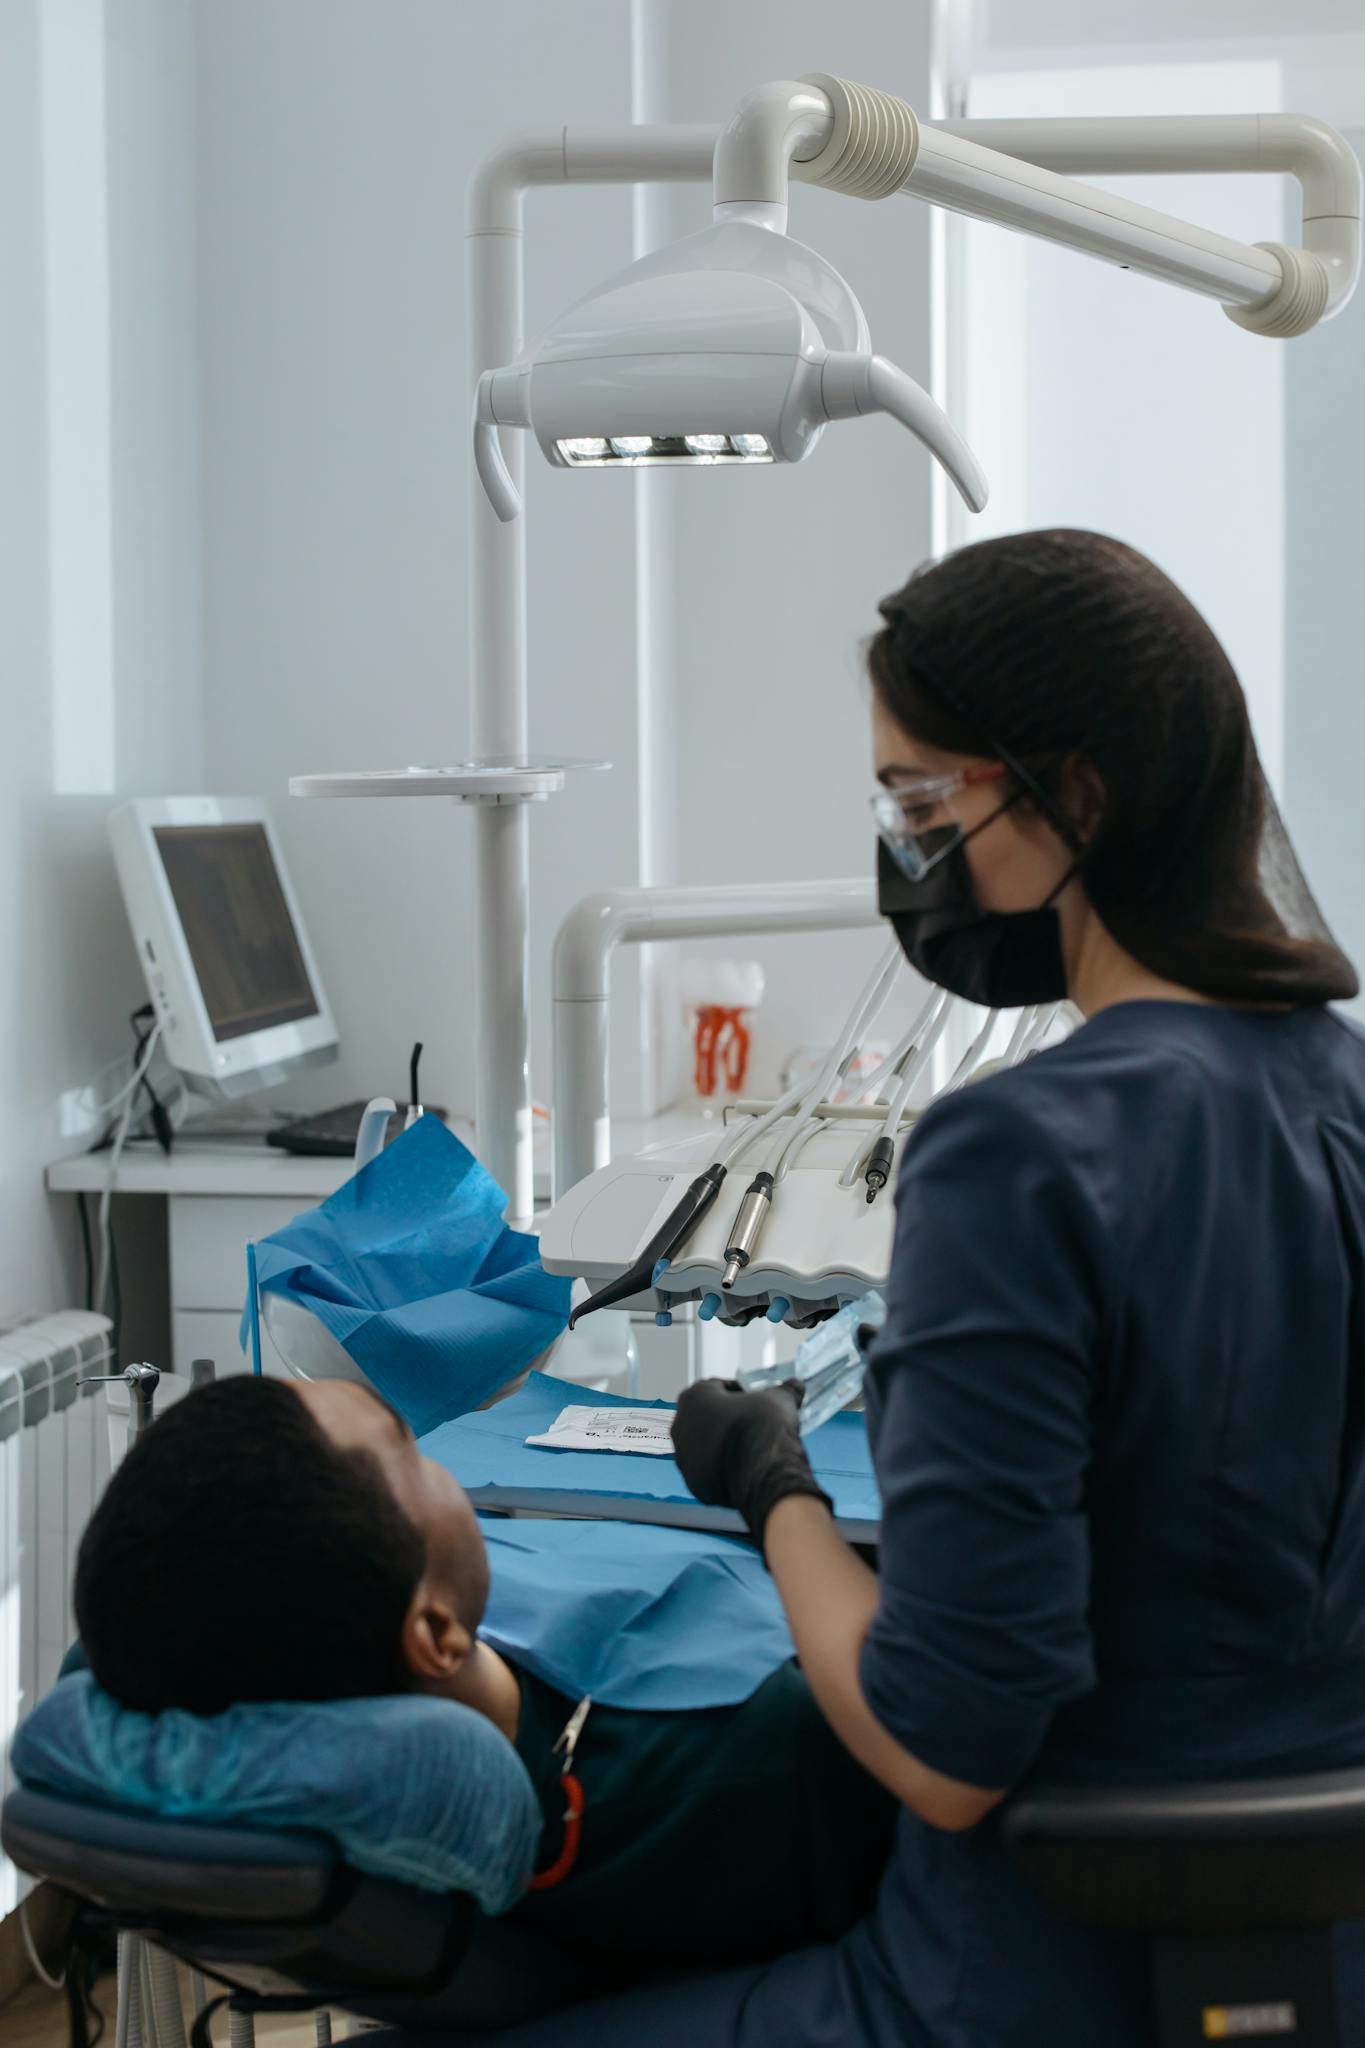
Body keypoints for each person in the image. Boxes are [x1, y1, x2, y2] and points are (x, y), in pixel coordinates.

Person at [455, 529, 1365, 2047]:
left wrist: (771, 1489)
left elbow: (947, 1752)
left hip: (1020, 1981)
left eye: (920, 800)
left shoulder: (1015, 1154)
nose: (906, 850)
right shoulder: (1340, 1092)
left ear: (1074, 793)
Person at [69, 1372, 895, 1989]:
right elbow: (916, 1713)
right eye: (410, 1452)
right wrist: (773, 1477)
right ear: (432, 1633)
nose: (445, 1467)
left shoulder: (270, 1668)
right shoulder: (753, 1757)